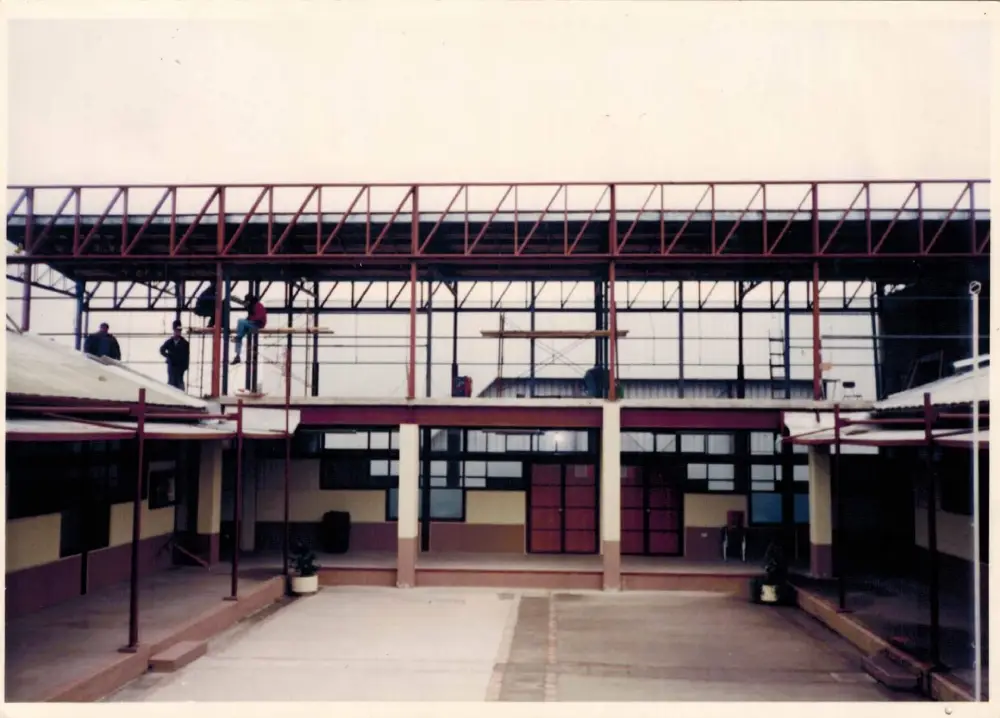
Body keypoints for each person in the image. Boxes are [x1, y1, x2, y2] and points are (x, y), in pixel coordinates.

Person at [231, 293, 267, 365]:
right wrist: (247, 321)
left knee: (240, 322)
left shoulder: (258, 306)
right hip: (253, 325)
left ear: (249, 301)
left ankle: (238, 338)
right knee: (240, 334)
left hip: (257, 325)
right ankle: (237, 356)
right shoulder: (252, 307)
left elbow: (259, 318)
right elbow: (250, 318)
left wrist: (248, 321)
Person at [160, 321, 190, 391]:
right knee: (171, 382)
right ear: (174, 331)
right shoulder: (170, 342)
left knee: (179, 382)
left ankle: (180, 395)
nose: (177, 332)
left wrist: (185, 366)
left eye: (179, 331)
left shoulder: (184, 343)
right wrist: (168, 356)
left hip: (180, 366)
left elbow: (187, 356)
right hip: (171, 365)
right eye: (176, 331)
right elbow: (162, 349)